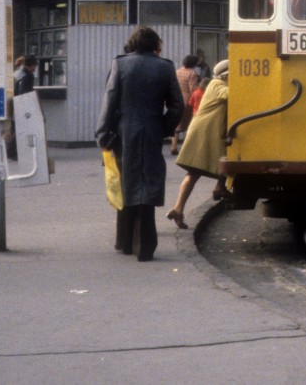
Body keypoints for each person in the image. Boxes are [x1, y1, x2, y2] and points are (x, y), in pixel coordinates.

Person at [96, 26, 184, 262]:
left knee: (127, 180)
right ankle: (144, 245)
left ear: (133, 43)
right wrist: (163, 127)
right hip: (152, 130)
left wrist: (103, 134)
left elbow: (110, 99)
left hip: (124, 132)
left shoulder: (121, 64)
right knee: (147, 182)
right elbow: (177, 106)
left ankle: (124, 241)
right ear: (155, 44)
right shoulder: (165, 66)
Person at [166, 60, 230, 229]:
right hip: (204, 132)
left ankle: (178, 209)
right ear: (227, 75)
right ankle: (218, 188)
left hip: (208, 131)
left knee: (196, 171)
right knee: (200, 169)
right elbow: (233, 95)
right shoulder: (218, 84)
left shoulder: (215, 83)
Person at [170, 54, 200, 156]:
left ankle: (173, 146)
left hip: (176, 99)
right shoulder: (192, 74)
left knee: (177, 124)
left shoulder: (177, 71)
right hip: (188, 101)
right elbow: (193, 89)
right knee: (189, 124)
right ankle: (185, 148)